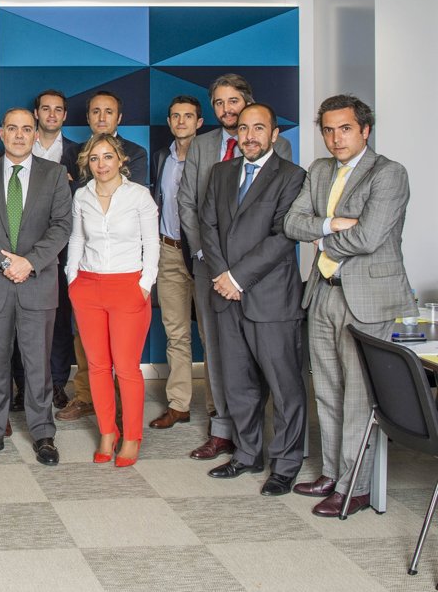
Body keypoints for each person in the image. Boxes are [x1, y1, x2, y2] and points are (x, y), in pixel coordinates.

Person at [284, 94, 414, 517]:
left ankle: (354, 486)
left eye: (345, 129)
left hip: (367, 299)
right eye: (328, 130)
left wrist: (321, 239)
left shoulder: (389, 173)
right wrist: (331, 224)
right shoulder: (320, 170)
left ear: (365, 130)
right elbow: (292, 223)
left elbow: (370, 237)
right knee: (326, 389)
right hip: (323, 290)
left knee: (358, 395)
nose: (336, 138)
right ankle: (332, 473)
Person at [177, 74, 292, 462]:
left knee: (265, 358)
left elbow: (280, 215)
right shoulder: (202, 145)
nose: (226, 109)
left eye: (233, 102)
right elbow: (189, 205)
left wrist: (240, 273)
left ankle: (260, 437)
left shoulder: (278, 146)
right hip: (211, 267)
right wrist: (211, 261)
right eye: (219, 103)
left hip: (260, 276)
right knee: (218, 351)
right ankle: (224, 430)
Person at [199, 103, 306, 496]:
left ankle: (286, 464)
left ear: (274, 134)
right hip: (226, 296)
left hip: (271, 298)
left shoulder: (293, 176)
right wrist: (222, 276)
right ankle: (247, 454)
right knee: (239, 384)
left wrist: (237, 277)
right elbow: (207, 225)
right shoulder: (221, 172)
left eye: (259, 128)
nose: (250, 136)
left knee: (284, 386)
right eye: (243, 129)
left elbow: (283, 236)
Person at [0, 109, 71, 464]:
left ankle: (43, 434)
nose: (20, 135)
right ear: (1, 133)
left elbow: (62, 226)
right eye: (13, 128)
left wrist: (30, 262)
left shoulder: (54, 174)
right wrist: (6, 262)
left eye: (27, 129)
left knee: (37, 364)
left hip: (37, 281)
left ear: (36, 134)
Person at [66, 133, 159, 467]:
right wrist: (72, 280)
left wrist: (145, 284)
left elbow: (152, 243)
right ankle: (108, 432)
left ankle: (131, 436)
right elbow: (77, 238)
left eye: (107, 157)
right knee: (97, 366)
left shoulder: (139, 196)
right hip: (88, 286)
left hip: (128, 286)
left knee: (127, 368)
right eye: (94, 158)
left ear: (121, 159)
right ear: (87, 163)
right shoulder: (82, 195)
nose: (101, 164)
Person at [58, 89, 148, 425]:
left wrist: (146, 281)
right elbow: (68, 198)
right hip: (87, 265)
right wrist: (72, 279)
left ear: (118, 117)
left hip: (123, 268)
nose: (101, 117)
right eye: (95, 111)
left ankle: (121, 405)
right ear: (88, 117)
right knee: (85, 339)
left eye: (108, 111)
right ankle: (86, 397)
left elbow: (127, 198)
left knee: (122, 350)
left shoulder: (136, 153)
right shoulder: (72, 153)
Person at [148, 95, 204, 430]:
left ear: (199, 122)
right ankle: (179, 404)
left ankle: (218, 410)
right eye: (175, 116)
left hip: (202, 254)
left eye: (188, 116)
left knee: (211, 335)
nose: (181, 121)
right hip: (168, 251)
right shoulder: (161, 158)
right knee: (176, 333)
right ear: (169, 121)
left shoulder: (210, 157)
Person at [28, 89, 79, 412]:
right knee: (24, 317)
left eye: (57, 109)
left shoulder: (78, 152)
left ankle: (57, 382)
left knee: (58, 317)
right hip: (23, 244)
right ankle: (26, 384)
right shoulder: (19, 145)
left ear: (64, 115)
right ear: (36, 113)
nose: (51, 114)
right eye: (45, 108)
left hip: (63, 244)